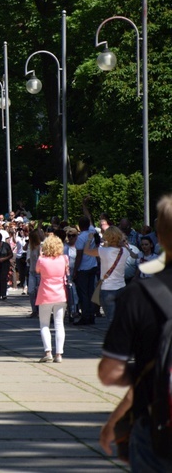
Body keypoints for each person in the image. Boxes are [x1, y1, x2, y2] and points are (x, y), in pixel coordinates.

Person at [98, 195, 172, 471]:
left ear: (159, 237)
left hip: (157, 425)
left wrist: (114, 421)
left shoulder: (141, 295)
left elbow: (110, 372)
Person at [82, 226, 127, 323]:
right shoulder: (125, 251)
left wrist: (89, 239)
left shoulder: (103, 251)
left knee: (112, 320)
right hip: (122, 288)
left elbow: (86, 251)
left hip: (107, 289)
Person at [34, 235, 68, 363]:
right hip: (60, 294)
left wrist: (40, 255)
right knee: (59, 324)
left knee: (44, 324)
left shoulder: (42, 260)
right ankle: (59, 354)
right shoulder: (64, 259)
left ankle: (48, 351)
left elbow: (37, 271)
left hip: (45, 294)